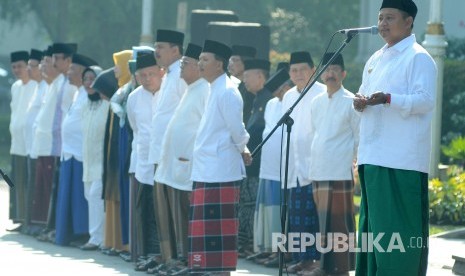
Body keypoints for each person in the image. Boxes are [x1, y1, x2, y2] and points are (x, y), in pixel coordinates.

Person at [353, 1, 436, 275]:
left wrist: (388, 99)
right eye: (380, 18)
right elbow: (363, 92)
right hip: (372, 156)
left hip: (401, 161)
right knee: (371, 235)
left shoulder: (418, 57)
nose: (382, 24)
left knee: (396, 236)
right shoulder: (375, 58)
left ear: (409, 21)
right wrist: (361, 101)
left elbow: (425, 101)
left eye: (389, 18)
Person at [189, 39, 251, 275]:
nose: (200, 63)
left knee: (218, 231)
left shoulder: (227, 92)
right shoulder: (211, 88)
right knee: (205, 231)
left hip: (221, 172)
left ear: (219, 64)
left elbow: (237, 130)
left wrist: (243, 148)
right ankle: (205, 269)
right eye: (200, 59)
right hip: (207, 169)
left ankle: (219, 271)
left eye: (205, 60)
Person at [153, 42, 209, 275]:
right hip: (175, 164)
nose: (182, 68)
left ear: (198, 67)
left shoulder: (204, 90)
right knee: (174, 215)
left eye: (186, 64)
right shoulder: (191, 89)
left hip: (189, 165)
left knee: (185, 216)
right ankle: (175, 259)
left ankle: (189, 261)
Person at [308, 53, 359, 276]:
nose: (330, 74)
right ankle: (324, 267)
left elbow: (359, 138)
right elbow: (316, 135)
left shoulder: (352, 101)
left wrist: (354, 167)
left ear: (343, 74)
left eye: (335, 70)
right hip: (318, 170)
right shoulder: (316, 102)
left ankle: (343, 269)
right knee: (322, 223)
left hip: (340, 170)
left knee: (340, 222)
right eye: (327, 70)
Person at [283, 51, 325, 274]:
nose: (298, 74)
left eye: (302, 69)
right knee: (297, 218)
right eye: (293, 70)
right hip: (294, 167)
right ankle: (303, 260)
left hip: (316, 167)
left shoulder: (322, 93)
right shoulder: (289, 96)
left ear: (313, 70)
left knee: (315, 218)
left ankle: (318, 262)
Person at [31, 42, 78, 242]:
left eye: (57, 58)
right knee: (48, 190)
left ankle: (55, 228)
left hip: (58, 146)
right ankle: (48, 227)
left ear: (68, 61)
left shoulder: (66, 84)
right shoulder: (56, 83)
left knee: (55, 190)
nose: (53, 62)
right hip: (50, 145)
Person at [149, 29, 188, 270]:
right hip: (160, 152)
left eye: (161, 47)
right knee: (162, 208)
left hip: (174, 153)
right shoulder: (168, 75)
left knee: (176, 207)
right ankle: (168, 256)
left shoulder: (182, 74)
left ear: (175, 50)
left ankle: (180, 256)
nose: (156, 51)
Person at [55, 54, 98, 246]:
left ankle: (82, 232)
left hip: (81, 153)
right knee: (68, 196)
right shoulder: (77, 93)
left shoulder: (89, 94)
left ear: (81, 72)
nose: (69, 73)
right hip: (69, 152)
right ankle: (68, 232)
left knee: (80, 198)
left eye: (72, 69)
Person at [126, 53, 164, 272]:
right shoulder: (134, 97)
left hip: (166, 164)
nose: (147, 78)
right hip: (143, 163)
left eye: (151, 73)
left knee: (163, 213)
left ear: (161, 72)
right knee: (145, 210)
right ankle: (145, 254)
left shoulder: (170, 93)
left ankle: (163, 254)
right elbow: (136, 128)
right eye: (142, 75)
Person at [250, 69, 291, 267]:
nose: (280, 94)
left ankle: (281, 252)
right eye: (277, 91)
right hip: (268, 167)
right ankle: (270, 249)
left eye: (282, 89)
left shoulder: (293, 102)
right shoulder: (271, 104)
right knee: (268, 211)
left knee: (280, 211)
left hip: (284, 168)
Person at [238, 58, 272, 258]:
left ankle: (251, 244)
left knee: (251, 206)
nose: (244, 81)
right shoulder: (256, 99)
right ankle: (245, 243)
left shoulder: (268, 99)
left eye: (247, 76)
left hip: (259, 164)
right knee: (246, 205)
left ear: (260, 76)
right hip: (250, 165)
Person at [80, 66, 111, 251]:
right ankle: (101, 237)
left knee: (95, 197)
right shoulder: (85, 105)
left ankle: (96, 239)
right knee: (89, 197)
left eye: (93, 78)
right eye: (86, 79)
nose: (89, 82)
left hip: (102, 163)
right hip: (88, 162)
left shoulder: (107, 105)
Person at [8, 50, 34, 232]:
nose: (17, 70)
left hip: (30, 143)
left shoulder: (36, 85)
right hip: (16, 143)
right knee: (15, 182)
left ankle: (29, 219)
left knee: (27, 181)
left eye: (20, 66)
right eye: (14, 67)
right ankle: (18, 217)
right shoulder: (15, 86)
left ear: (28, 66)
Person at [24, 49, 45, 235]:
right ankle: (28, 222)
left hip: (41, 147)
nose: (29, 70)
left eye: (33, 66)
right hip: (31, 146)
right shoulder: (37, 87)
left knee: (38, 188)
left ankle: (35, 224)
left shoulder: (46, 86)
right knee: (31, 185)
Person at [228, 45, 257, 125]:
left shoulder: (252, 88)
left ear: (245, 62)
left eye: (234, 60)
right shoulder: (238, 86)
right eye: (230, 60)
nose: (230, 65)